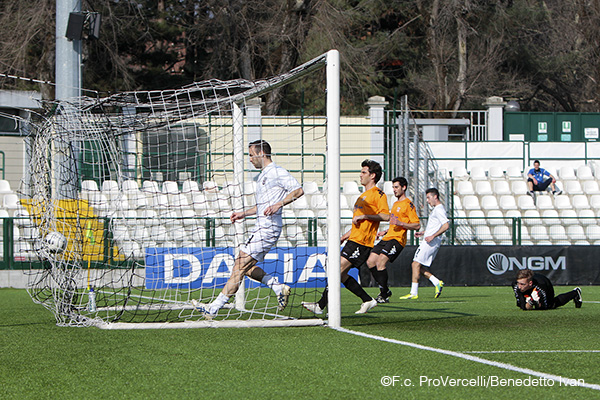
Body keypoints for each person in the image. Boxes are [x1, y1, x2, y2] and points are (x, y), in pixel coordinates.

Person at [194, 140, 304, 319]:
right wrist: (244, 213)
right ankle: (277, 287)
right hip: (260, 227)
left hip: (267, 229)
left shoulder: (277, 172)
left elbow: (298, 190)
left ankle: (213, 308)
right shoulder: (263, 175)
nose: (250, 159)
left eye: (252, 155)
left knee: (239, 266)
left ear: (262, 154)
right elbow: (262, 206)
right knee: (245, 267)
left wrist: (279, 204)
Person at [302, 159, 390, 315]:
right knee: (340, 274)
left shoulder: (378, 194)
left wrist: (366, 216)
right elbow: (358, 223)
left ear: (373, 176)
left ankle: (321, 306)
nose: (360, 175)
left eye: (364, 172)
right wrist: (344, 236)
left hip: (362, 242)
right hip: (353, 240)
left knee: (336, 270)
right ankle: (367, 300)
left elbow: (385, 216)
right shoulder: (362, 196)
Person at [366, 177, 420, 303]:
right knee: (370, 262)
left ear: (404, 187)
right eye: (393, 187)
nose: (394, 190)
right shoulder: (395, 204)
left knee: (380, 262)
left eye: (396, 187)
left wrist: (401, 223)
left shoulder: (408, 204)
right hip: (388, 237)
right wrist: (385, 231)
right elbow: (394, 223)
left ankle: (384, 294)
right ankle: (385, 290)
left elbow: (417, 225)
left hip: (397, 240)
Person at [399, 188, 448, 300]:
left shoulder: (439, 209)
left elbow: (446, 226)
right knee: (417, 266)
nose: (427, 201)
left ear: (435, 196)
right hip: (429, 241)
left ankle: (414, 293)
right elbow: (436, 226)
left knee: (415, 264)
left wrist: (432, 236)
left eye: (428, 197)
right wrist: (424, 233)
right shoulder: (436, 209)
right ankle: (436, 282)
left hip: (431, 242)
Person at [513, 269, 582, 310]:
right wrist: (531, 302)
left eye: (522, 284)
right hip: (530, 288)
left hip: (546, 285)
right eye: (518, 283)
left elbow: (544, 307)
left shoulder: (541, 287)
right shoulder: (516, 285)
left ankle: (575, 293)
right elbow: (522, 306)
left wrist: (534, 302)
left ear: (530, 283)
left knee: (551, 305)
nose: (519, 286)